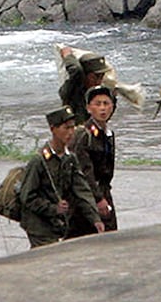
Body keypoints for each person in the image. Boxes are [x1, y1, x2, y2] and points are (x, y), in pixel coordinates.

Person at [19, 106, 104, 247]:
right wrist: (53, 208)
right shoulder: (39, 161)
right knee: (46, 259)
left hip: (58, 223)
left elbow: (82, 190)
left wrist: (95, 218)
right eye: (66, 128)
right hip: (38, 224)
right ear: (53, 129)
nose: (71, 133)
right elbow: (27, 196)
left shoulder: (70, 158)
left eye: (73, 128)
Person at [68, 86, 117, 238]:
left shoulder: (108, 134)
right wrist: (98, 198)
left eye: (106, 103)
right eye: (97, 104)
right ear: (89, 108)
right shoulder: (84, 135)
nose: (102, 108)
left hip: (103, 191)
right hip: (87, 196)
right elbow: (84, 171)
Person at [58, 47, 111, 125]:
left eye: (101, 76)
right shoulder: (73, 89)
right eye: (95, 77)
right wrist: (68, 56)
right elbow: (76, 70)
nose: (98, 81)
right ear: (85, 75)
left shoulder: (96, 93)